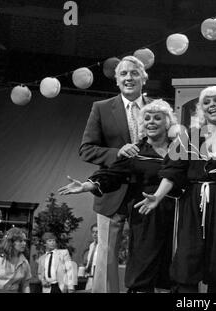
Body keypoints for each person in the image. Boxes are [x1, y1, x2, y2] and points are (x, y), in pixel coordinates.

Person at [135, 86, 216, 293]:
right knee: (186, 261)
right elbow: (173, 171)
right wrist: (157, 196)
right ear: (201, 109)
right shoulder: (189, 138)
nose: (212, 105)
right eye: (207, 102)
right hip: (192, 205)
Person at [59, 99, 180, 293]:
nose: (151, 121)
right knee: (144, 265)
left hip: (178, 216)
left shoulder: (180, 149)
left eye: (157, 118)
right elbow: (113, 174)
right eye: (147, 118)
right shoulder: (136, 151)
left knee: (175, 269)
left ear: (168, 123)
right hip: (146, 216)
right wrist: (89, 184)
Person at [79, 55, 150, 293]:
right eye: (123, 74)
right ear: (116, 81)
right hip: (112, 192)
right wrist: (116, 152)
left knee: (145, 254)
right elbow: (86, 149)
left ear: (144, 78)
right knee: (107, 256)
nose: (129, 77)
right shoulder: (100, 108)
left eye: (134, 73)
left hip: (148, 193)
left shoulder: (158, 108)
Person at [0, 227, 31, 293]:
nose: (24, 243)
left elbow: (26, 285)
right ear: (11, 242)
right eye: (20, 241)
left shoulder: (24, 262)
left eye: (25, 241)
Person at [82, 223, 98, 291]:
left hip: (98, 278)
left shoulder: (104, 246)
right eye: (93, 232)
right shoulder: (91, 245)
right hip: (90, 277)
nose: (94, 234)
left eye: (97, 232)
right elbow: (90, 261)